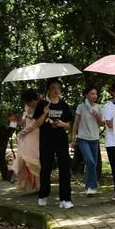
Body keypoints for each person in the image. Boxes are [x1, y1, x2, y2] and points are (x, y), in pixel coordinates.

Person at [34, 79, 74, 209]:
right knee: (45, 168)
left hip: (61, 140)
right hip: (46, 140)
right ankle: (43, 195)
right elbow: (37, 124)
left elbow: (69, 125)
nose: (56, 90)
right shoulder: (42, 104)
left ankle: (66, 199)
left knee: (64, 168)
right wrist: (44, 114)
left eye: (58, 88)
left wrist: (63, 124)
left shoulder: (64, 105)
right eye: (53, 88)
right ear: (48, 90)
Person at [72, 85, 104, 196]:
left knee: (93, 164)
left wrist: (97, 117)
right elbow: (76, 123)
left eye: (95, 94)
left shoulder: (99, 107)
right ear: (86, 95)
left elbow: (102, 124)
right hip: (83, 138)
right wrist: (73, 138)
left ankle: (89, 186)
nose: (94, 96)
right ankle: (92, 185)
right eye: (91, 94)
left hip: (94, 139)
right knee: (90, 161)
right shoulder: (81, 107)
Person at [12, 89, 41, 193]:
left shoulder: (40, 107)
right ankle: (18, 176)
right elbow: (24, 121)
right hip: (26, 137)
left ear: (34, 99)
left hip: (36, 135)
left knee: (34, 161)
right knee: (23, 158)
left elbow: (35, 124)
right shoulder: (27, 107)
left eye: (29, 101)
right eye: (26, 102)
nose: (28, 104)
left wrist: (23, 132)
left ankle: (38, 185)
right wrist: (16, 120)